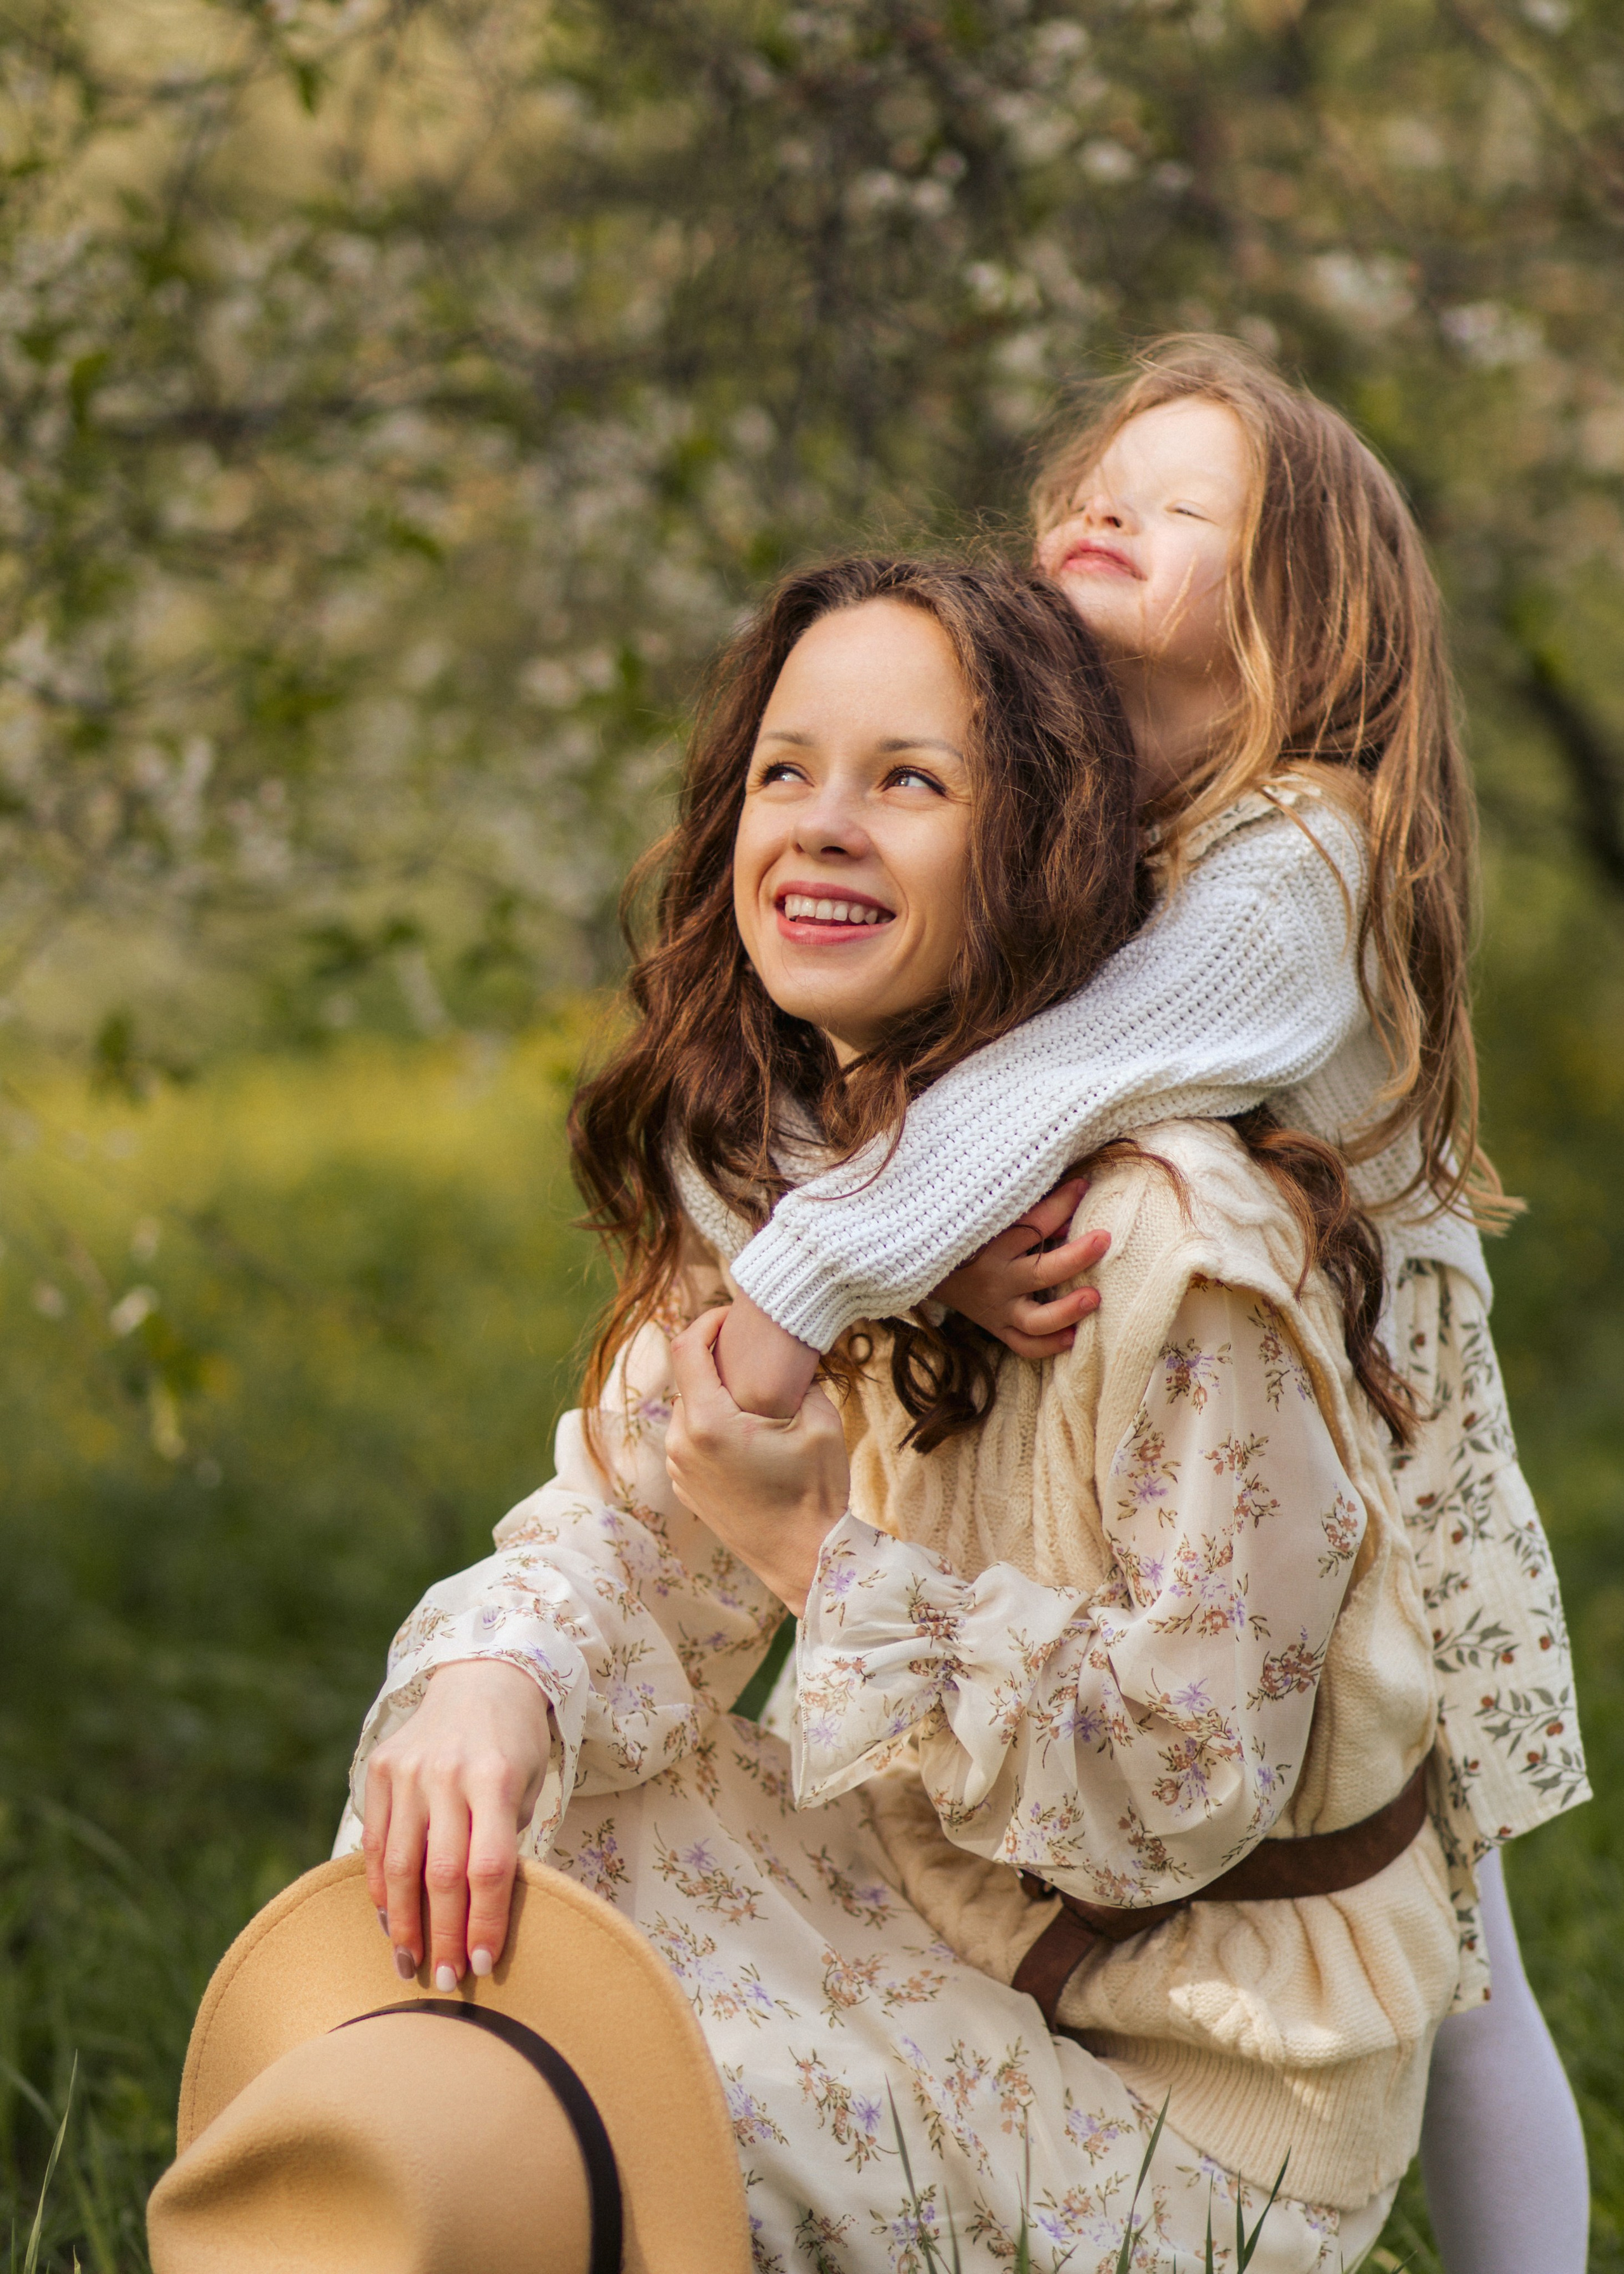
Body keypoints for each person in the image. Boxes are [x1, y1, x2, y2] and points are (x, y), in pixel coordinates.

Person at [351, 555, 1487, 2270]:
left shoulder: (1170, 1250)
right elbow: (627, 1519)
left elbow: (1183, 1782)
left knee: (619, 2117)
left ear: (1040, 843)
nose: (816, 826)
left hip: (1198, 2085)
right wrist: (494, 1682)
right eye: (783, 772)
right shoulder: (823, 1181)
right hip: (952, 1924)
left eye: (909, 782)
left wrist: (814, 1552)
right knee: (466, 1838)